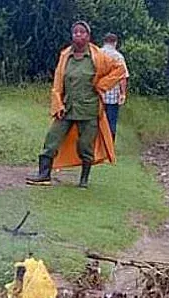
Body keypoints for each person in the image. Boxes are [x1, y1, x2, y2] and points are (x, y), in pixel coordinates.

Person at [27, 21, 124, 188]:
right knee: (52, 138)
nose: (78, 35)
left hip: (88, 110)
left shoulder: (98, 56)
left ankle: (84, 180)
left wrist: (103, 84)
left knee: (85, 145)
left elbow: (119, 69)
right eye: (75, 32)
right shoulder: (66, 56)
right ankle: (44, 175)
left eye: (82, 32)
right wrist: (58, 104)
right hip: (67, 108)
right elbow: (58, 83)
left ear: (88, 36)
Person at [99, 33, 128, 139]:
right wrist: (123, 93)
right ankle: (109, 146)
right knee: (111, 122)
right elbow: (123, 77)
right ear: (115, 42)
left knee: (96, 121)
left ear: (104, 41)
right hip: (113, 96)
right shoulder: (118, 57)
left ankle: (97, 146)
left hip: (97, 95)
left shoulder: (97, 54)